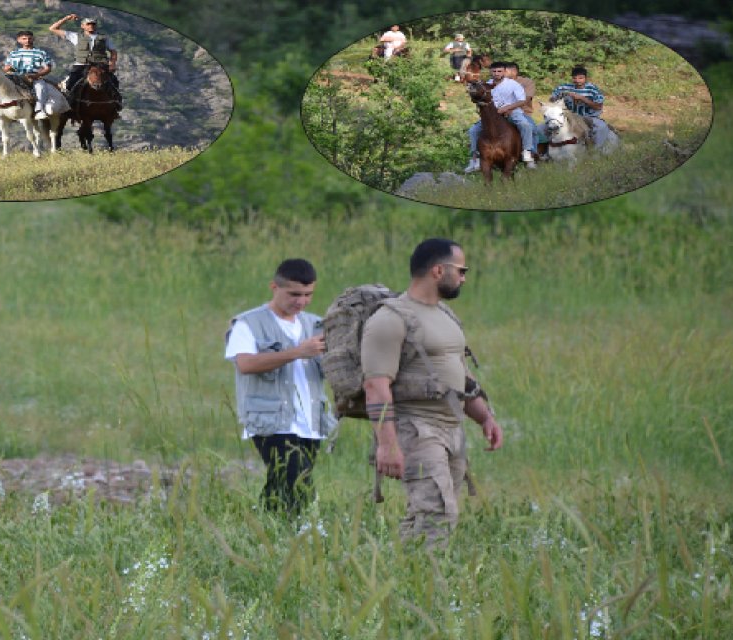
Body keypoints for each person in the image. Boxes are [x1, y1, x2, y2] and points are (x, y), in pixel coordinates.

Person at [360, 239, 502, 547]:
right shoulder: (390, 320)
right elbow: (376, 386)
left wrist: (484, 418)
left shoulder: (446, 316)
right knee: (436, 512)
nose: (464, 277)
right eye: (461, 270)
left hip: (451, 427)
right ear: (439, 270)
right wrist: (387, 445)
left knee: (433, 512)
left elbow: (460, 374)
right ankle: (429, 587)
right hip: (416, 428)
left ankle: (406, 577)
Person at [225, 259, 338, 516]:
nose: (301, 302)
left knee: (285, 482)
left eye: (308, 295)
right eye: (294, 294)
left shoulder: (316, 325)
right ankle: (300, 530)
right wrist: (298, 352)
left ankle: (268, 531)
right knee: (295, 479)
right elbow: (246, 364)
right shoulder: (248, 324)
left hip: (311, 419)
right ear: (274, 287)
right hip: (270, 420)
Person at [463, 61, 537, 172]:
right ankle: (474, 158)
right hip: (493, 114)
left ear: (504, 72)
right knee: (473, 130)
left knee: (525, 124)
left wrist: (507, 108)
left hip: (512, 111)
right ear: (490, 72)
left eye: (499, 71)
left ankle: (527, 152)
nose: (497, 73)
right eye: (494, 71)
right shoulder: (487, 84)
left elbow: (522, 101)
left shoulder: (512, 84)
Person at [0, 30, 57, 121]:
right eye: (24, 39)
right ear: (19, 40)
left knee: (40, 86)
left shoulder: (40, 53)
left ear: (33, 39)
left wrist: (37, 75)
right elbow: (6, 67)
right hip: (13, 76)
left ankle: (39, 110)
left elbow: (48, 68)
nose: (27, 40)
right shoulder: (14, 53)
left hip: (32, 76)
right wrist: (8, 69)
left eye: (29, 38)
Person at [48, 13, 121, 110]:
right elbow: (53, 28)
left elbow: (113, 51)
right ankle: (69, 103)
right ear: (82, 26)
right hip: (81, 64)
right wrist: (66, 18)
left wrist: (112, 63)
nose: (91, 26)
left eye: (93, 24)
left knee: (113, 81)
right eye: (88, 24)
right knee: (70, 83)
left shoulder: (104, 38)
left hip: (100, 65)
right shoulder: (75, 36)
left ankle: (116, 102)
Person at [551, 66, 612, 148]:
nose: (577, 81)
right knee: (546, 126)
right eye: (574, 78)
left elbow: (598, 107)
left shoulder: (592, 89)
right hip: (568, 116)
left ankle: (597, 148)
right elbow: (551, 100)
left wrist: (582, 98)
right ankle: (545, 151)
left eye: (580, 78)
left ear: (586, 78)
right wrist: (562, 95)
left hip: (588, 116)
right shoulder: (564, 87)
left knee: (601, 127)